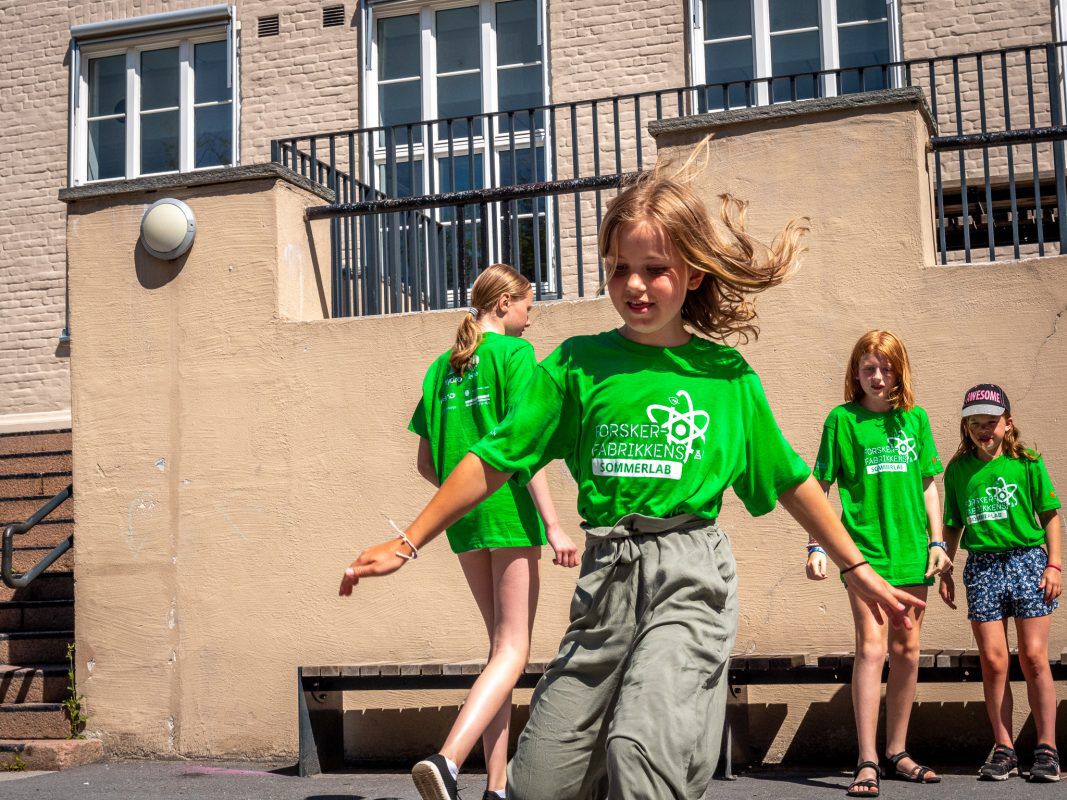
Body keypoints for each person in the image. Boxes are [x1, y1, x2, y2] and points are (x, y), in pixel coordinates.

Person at [340, 160, 925, 800]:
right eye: (620, 268)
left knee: (640, 751)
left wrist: (855, 565)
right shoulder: (577, 365)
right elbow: (492, 457)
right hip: (606, 578)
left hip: (690, 573)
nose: (635, 285)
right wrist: (408, 541)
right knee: (538, 783)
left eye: (655, 269)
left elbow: (789, 480)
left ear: (693, 272)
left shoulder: (725, 377)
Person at [403, 263, 578, 800]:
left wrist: (465, 486)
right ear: (504, 303)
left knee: (499, 653)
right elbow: (525, 451)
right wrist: (553, 525)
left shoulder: (440, 368)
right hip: (508, 512)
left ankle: (496, 787)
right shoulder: (516, 356)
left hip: (465, 518)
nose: (531, 317)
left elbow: (427, 464)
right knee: (513, 652)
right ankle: (449, 760)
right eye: (528, 305)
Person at [806, 330, 950, 797]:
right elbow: (818, 490)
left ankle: (897, 751)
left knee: (908, 650)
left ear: (899, 371)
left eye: (885, 368)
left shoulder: (916, 420)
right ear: (856, 373)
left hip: (913, 552)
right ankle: (866, 759)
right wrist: (817, 547)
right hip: (864, 556)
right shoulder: (842, 421)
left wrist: (938, 542)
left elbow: (930, 484)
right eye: (868, 367)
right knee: (871, 648)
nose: (877, 376)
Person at [939, 383, 1062, 782]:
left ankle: (1047, 748)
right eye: (975, 423)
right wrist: (945, 570)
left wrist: (1054, 565)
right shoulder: (958, 470)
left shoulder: (1027, 462)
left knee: (1033, 657)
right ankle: (1005, 748)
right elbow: (953, 524)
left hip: (1028, 561)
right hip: (983, 568)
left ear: (1008, 424)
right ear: (966, 426)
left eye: (991, 422)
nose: (983, 430)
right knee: (994, 662)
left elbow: (1049, 515)